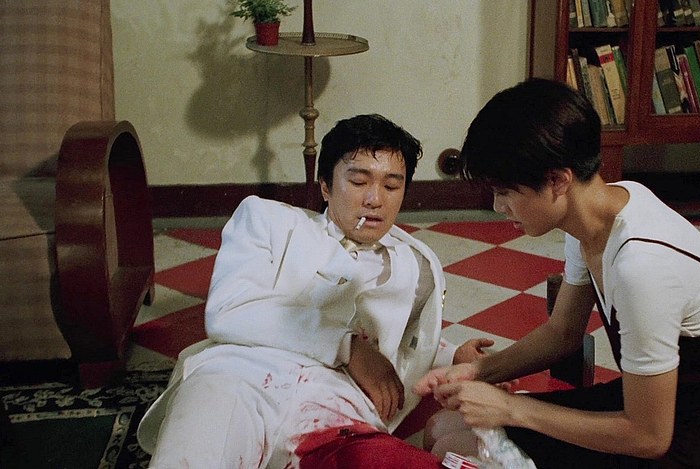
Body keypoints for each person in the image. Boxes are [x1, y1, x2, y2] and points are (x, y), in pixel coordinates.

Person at [414, 79, 700, 468]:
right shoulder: (599, 212)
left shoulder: (642, 266)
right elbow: (563, 332)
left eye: (506, 192)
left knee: (454, 448)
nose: (499, 207)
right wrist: (476, 371)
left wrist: (510, 408)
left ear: (558, 180)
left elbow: (650, 437)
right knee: (442, 427)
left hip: (695, 445)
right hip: (659, 405)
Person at [137, 114, 493, 468]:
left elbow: (408, 342)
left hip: (338, 410)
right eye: (358, 181)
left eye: (391, 186)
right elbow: (228, 311)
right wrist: (347, 347)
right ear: (325, 186)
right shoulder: (269, 220)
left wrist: (453, 355)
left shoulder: (417, 264)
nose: (374, 199)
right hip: (237, 381)